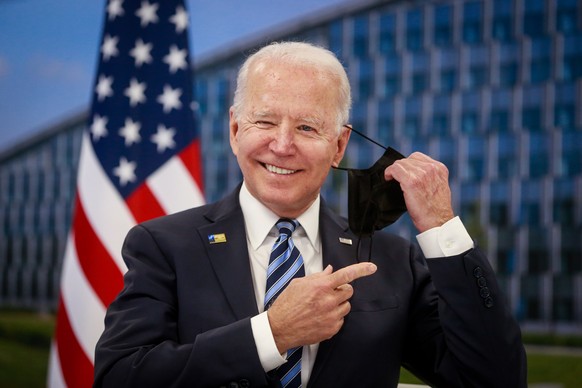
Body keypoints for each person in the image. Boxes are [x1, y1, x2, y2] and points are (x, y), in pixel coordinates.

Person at [94, 41, 527, 387]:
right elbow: (118, 376)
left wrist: (442, 227)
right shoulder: (164, 244)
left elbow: (493, 379)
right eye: (264, 122)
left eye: (307, 127)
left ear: (338, 146)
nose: (282, 145)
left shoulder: (393, 260)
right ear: (234, 130)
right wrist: (272, 333)